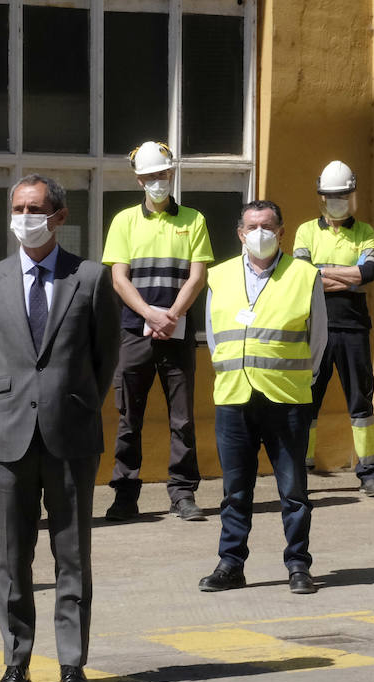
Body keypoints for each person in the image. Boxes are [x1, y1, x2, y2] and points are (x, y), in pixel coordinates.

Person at [0, 174, 120, 682]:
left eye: (34, 208)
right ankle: (17, 663)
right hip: (10, 436)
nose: (24, 217)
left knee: (72, 555)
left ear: (58, 216)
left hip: (71, 433)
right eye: (17, 208)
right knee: (13, 559)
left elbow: (105, 358)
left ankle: (72, 664)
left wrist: (71, 401)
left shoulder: (91, 278)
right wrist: (19, 399)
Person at [197, 200, 326, 596]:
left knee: (293, 490)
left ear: (282, 232)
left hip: (286, 398)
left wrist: (298, 380)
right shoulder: (219, 277)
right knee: (235, 490)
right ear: (240, 233)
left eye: (268, 226)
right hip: (234, 396)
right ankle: (231, 563)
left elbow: (318, 340)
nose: (260, 233)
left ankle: (299, 565)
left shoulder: (305, 276)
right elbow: (215, 337)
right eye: (252, 226)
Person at [100, 141, 213, 522]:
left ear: (171, 173)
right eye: (149, 177)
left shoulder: (194, 220)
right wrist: (150, 314)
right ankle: (125, 495)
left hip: (178, 333)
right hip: (134, 332)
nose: (157, 182)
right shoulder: (123, 222)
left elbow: (197, 277)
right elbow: (119, 278)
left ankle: (183, 493)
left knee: (182, 418)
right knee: (128, 418)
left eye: (162, 175)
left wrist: (172, 317)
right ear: (138, 180)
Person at [293, 161, 374, 497]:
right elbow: (303, 274)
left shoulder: (365, 231)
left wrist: (325, 273)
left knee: (361, 400)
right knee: (307, 399)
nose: (337, 201)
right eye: (332, 196)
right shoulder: (306, 231)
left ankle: (371, 473)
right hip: (314, 326)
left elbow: (371, 272)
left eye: (343, 195)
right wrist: (349, 275)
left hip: (353, 326)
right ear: (321, 197)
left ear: (352, 196)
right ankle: (299, 468)